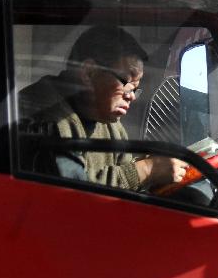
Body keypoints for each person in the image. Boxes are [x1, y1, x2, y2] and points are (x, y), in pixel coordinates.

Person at [18, 25, 187, 189]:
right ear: (89, 72)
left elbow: (125, 175)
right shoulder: (44, 115)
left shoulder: (109, 122)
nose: (132, 96)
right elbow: (72, 192)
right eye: (126, 82)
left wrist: (156, 169)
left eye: (135, 89)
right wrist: (147, 170)